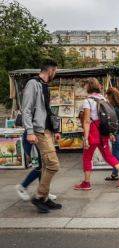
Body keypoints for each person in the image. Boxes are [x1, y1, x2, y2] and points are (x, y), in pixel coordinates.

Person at [73, 78, 119, 190]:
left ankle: (86, 183)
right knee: (108, 155)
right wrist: (110, 132)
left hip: (93, 130)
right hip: (103, 131)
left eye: (85, 85)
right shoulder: (103, 99)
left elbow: (86, 120)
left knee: (87, 157)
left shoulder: (88, 101)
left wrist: (85, 138)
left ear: (88, 87)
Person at [21, 58, 62, 213]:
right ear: (50, 70)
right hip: (38, 131)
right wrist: (30, 132)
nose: (55, 74)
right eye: (55, 71)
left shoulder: (44, 85)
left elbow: (46, 110)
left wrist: (55, 130)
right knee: (53, 164)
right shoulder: (33, 84)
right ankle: (39, 197)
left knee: (46, 165)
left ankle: (44, 198)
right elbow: (26, 109)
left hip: (47, 131)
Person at [15, 131, 57, 201]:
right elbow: (27, 122)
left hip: (41, 137)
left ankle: (43, 192)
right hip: (32, 138)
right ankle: (22, 187)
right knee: (39, 167)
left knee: (44, 166)